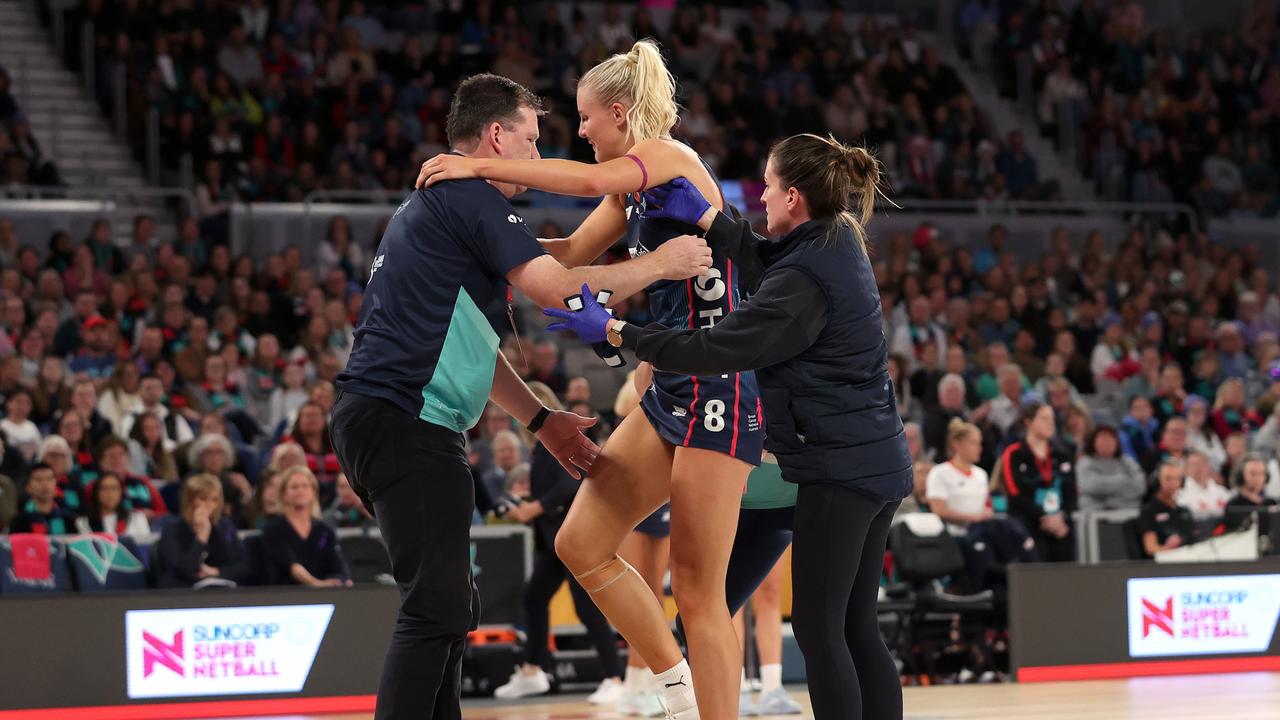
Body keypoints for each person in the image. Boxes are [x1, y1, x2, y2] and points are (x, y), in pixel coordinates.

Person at [329, 73, 706, 720]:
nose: (538, 159)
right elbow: (559, 289)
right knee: (436, 608)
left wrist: (539, 418)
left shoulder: (451, 209)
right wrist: (659, 265)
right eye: (531, 142)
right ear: (495, 137)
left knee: (451, 607)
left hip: (393, 421)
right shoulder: (470, 198)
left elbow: (475, 338)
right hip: (404, 421)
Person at [419, 41, 769, 720]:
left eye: (584, 120)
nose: (579, 133)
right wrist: (482, 246)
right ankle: (674, 686)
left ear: (618, 112)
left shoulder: (669, 157)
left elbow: (580, 183)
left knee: (699, 590)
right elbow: (569, 256)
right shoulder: (631, 190)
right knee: (579, 543)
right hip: (669, 383)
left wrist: (475, 164)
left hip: (720, 384)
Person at [544, 134, 912, 720]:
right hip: (875, 461)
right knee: (854, 627)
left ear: (793, 197)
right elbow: (768, 254)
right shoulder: (835, 238)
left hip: (838, 469)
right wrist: (712, 218)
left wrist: (617, 334)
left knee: (820, 630)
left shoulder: (802, 285)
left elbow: (717, 347)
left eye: (766, 187)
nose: (759, 197)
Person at [492, 383, 624, 706]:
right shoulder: (539, 448)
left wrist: (533, 508)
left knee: (585, 608)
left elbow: (568, 485)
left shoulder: (553, 444)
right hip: (555, 543)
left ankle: (615, 678)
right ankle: (533, 670)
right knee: (534, 599)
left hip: (572, 538)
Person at [926, 419, 1036, 590]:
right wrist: (973, 518)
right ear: (957, 444)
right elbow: (938, 509)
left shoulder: (981, 475)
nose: (980, 448)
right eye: (974, 443)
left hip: (983, 531)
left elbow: (986, 506)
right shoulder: (940, 473)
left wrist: (984, 515)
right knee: (983, 551)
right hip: (955, 536)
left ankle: (1024, 580)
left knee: (1009, 531)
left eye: (980, 443)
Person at [996, 402, 1077, 562]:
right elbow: (1014, 493)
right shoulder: (1014, 454)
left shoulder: (1063, 453)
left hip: (1061, 524)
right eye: (1044, 419)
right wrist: (1044, 518)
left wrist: (1060, 517)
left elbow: (1071, 491)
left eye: (1052, 419)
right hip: (1029, 523)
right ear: (1028, 422)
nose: (1050, 423)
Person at [152, 473, 251, 588]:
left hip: (221, 590)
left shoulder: (225, 527)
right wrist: (202, 535)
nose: (209, 505)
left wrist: (216, 571)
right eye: (203, 499)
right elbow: (186, 570)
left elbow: (244, 567)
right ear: (189, 501)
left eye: (214, 500)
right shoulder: (172, 528)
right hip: (183, 593)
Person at [262, 465, 351, 586]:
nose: (300, 491)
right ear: (284, 493)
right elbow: (292, 566)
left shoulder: (324, 530)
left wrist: (342, 581)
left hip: (324, 594)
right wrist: (318, 585)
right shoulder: (273, 528)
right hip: (286, 594)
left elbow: (338, 565)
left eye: (305, 486)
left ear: (313, 492)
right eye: (294, 487)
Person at [1075, 425, 1146, 511]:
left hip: (1128, 512)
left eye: (1110, 438)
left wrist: (1106, 496)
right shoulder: (1084, 462)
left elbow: (1140, 486)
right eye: (1102, 438)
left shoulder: (1127, 461)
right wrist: (1123, 480)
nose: (1106, 442)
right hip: (1095, 513)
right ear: (1093, 441)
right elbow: (1090, 485)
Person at [1138, 459, 1198, 558]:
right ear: (1157, 481)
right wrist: (1168, 548)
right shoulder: (1148, 511)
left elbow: (1196, 538)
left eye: (1177, 479)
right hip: (1166, 564)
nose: (1173, 483)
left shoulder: (1185, 511)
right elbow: (1151, 548)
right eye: (1168, 478)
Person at [9, 463, 76, 535]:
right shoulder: (20, 521)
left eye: (49, 479)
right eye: (38, 480)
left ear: (55, 484)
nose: (45, 484)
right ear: (28, 487)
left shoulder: (69, 519)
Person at [1176, 450, 1232, 522]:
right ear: (1185, 470)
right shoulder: (1180, 495)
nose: (1198, 467)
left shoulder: (1222, 492)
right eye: (1193, 464)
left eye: (1201, 463)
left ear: (1209, 467)